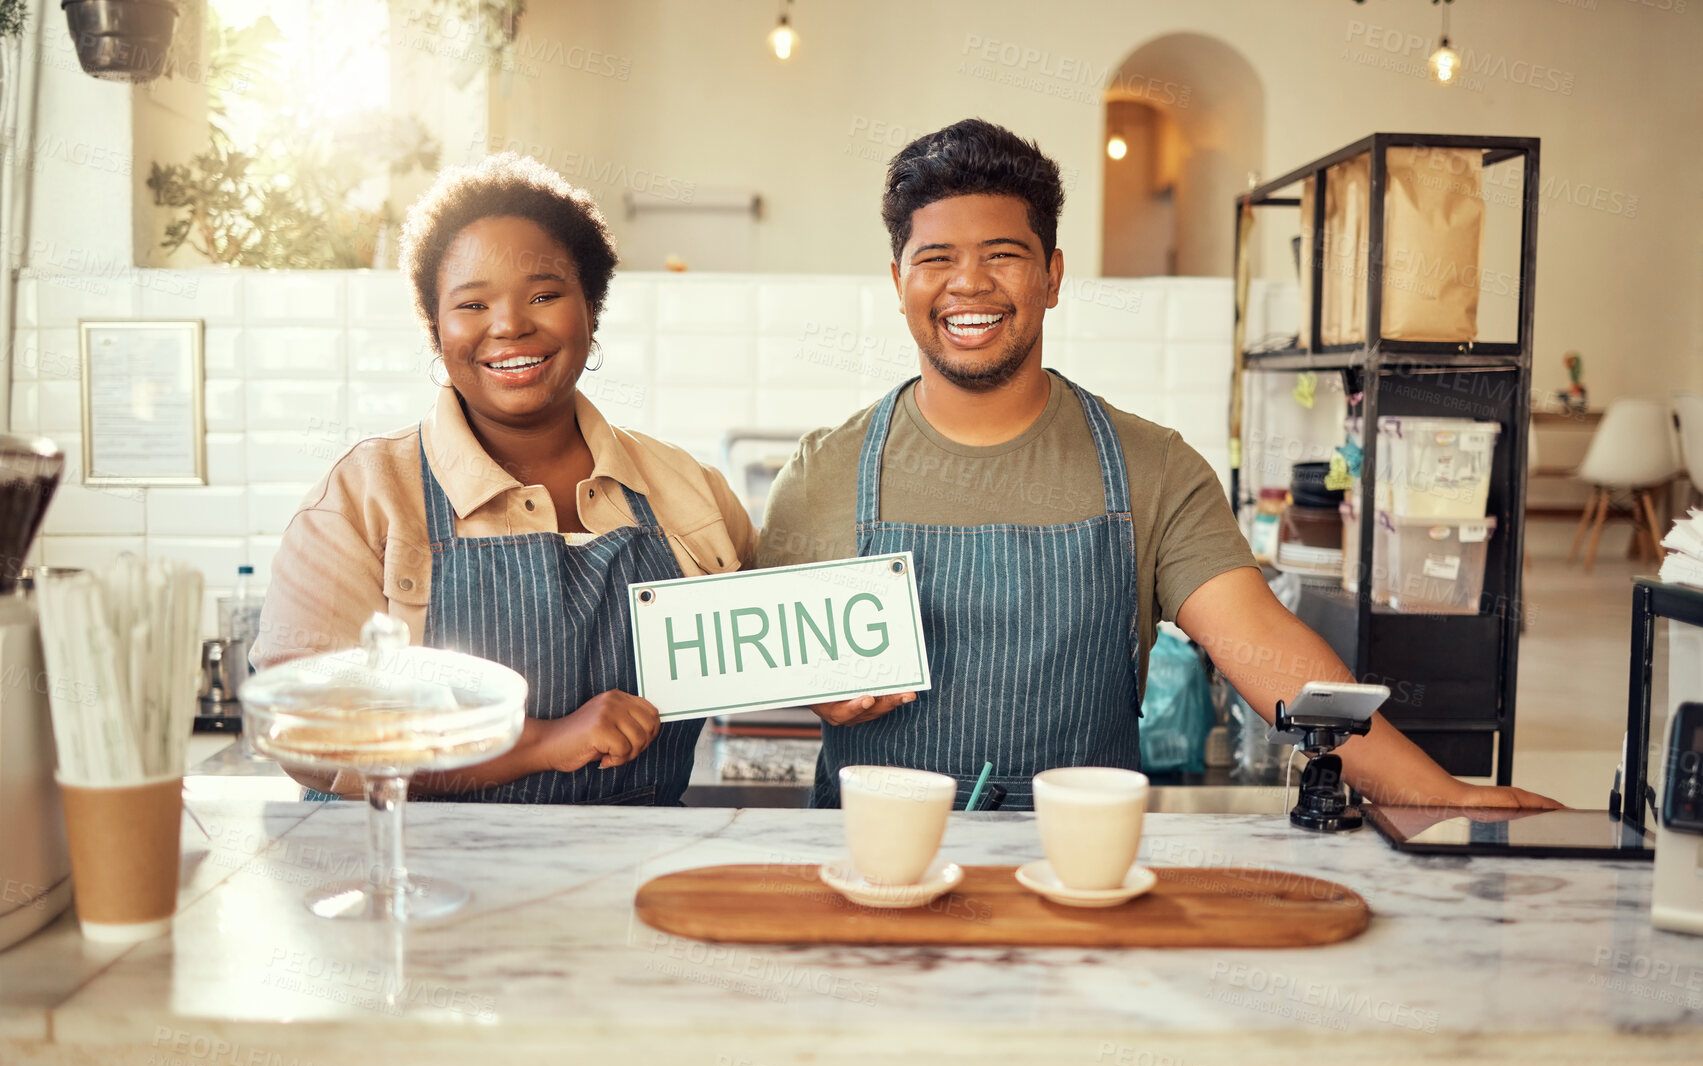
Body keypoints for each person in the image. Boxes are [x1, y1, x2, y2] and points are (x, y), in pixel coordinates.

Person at [754, 118, 1560, 814]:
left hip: (1080, 866)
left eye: (1002, 253)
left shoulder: (1150, 466)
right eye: (936, 258)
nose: (969, 281)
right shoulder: (826, 470)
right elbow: (747, 657)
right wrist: (810, 689)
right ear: (899, 282)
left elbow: (1262, 647)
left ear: (1051, 276)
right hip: (875, 869)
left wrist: (1431, 789)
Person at [253, 153, 755, 803]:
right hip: (412, 883)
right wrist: (539, 742)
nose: (510, 324)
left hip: (627, 882)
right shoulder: (365, 498)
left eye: (544, 294)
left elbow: (774, 652)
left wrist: (842, 686)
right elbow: (304, 729)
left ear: (591, 312)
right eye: (472, 303)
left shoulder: (688, 491)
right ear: (436, 330)